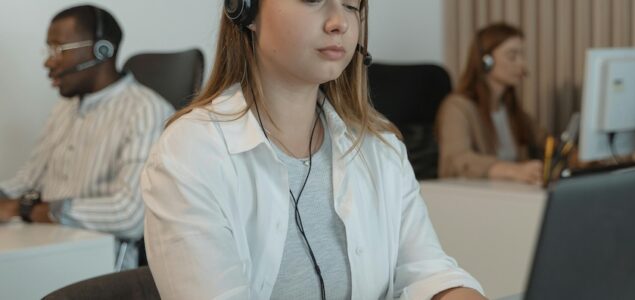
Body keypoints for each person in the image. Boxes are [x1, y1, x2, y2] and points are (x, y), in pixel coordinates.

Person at [140, 0, 485, 299]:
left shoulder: (380, 148)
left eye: (352, 6)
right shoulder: (191, 154)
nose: (341, 22)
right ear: (246, 10)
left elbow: (428, 272)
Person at [0, 5, 173, 269]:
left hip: (98, 262)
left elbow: (131, 215)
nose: (48, 61)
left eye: (59, 49)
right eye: (49, 50)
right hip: (47, 242)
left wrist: (31, 211)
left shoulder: (145, 111)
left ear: (102, 50)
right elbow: (29, 178)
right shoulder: (65, 107)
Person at [436, 23, 545, 185]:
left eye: (522, 56)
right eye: (512, 56)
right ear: (486, 61)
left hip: (512, 194)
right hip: (478, 199)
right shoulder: (457, 107)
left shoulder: (511, 110)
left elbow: (546, 140)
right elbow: (456, 160)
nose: (522, 65)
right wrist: (513, 171)